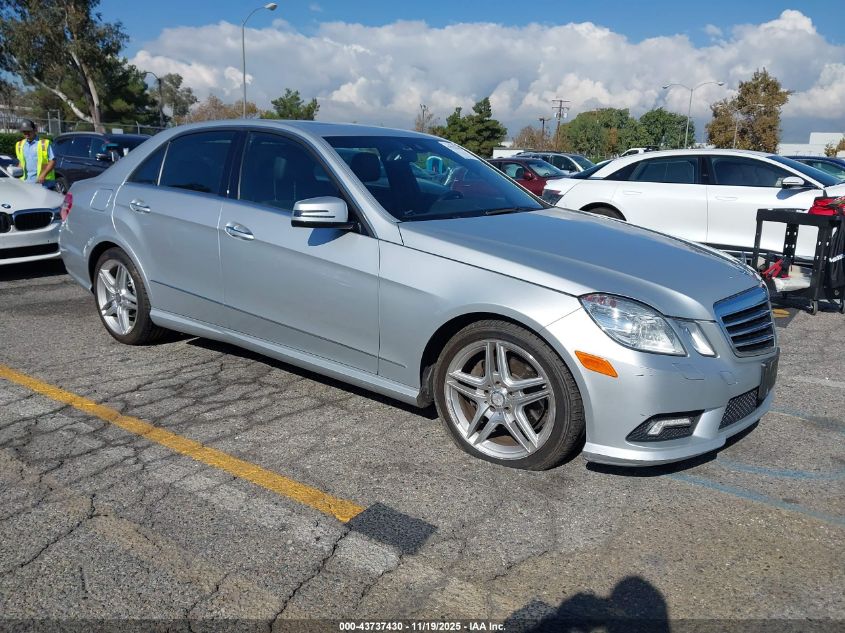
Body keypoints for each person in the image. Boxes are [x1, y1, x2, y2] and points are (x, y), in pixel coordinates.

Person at [15, 120, 56, 189]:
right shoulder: (19, 145)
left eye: (29, 131)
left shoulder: (44, 143)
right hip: (26, 182)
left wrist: (43, 175)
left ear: (34, 130)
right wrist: (16, 173)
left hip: (44, 183)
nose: (26, 133)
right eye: (24, 132)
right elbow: (21, 163)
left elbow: (53, 161)